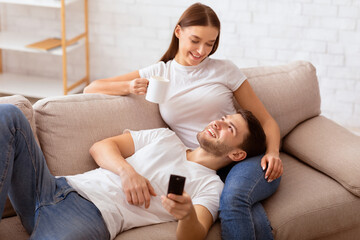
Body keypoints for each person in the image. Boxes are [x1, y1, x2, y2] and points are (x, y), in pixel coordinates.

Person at [84, 2, 283, 239]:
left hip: (240, 157)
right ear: (178, 32)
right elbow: (91, 88)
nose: (202, 51)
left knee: (234, 200)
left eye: (210, 44)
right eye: (195, 41)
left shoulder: (225, 70)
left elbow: (266, 120)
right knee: (242, 207)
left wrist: (273, 152)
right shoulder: (161, 72)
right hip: (204, 167)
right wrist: (128, 86)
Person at [0, 104, 266, 240]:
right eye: (224, 118)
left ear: (237, 155)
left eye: (230, 128)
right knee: (8, 114)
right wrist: (126, 171)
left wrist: (185, 214)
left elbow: (194, 235)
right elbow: (101, 147)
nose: (219, 123)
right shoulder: (165, 137)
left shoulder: (211, 186)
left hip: (90, 216)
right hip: (53, 186)